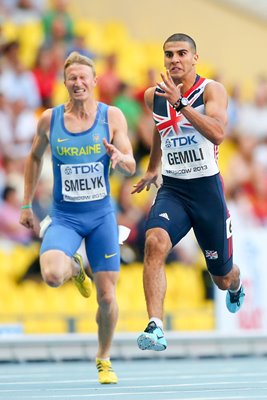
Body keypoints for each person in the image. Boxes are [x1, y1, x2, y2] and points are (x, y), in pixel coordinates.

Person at [19, 51, 136, 382]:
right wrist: (27, 204)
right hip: (66, 218)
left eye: (85, 77)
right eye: (73, 78)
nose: (79, 82)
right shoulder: (49, 119)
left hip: (101, 218)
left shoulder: (111, 117)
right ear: (65, 82)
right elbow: (33, 158)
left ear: (95, 81)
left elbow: (130, 161)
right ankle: (75, 270)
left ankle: (104, 357)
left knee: (108, 296)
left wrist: (122, 158)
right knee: (53, 275)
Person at [132, 33, 245, 352]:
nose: (174, 60)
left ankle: (236, 282)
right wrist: (154, 167)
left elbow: (219, 133)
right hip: (174, 189)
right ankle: (156, 327)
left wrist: (180, 104)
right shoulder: (153, 95)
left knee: (221, 278)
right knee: (154, 242)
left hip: (207, 192)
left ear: (195, 58)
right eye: (168, 55)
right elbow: (159, 128)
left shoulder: (212, 90)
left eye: (182, 53)